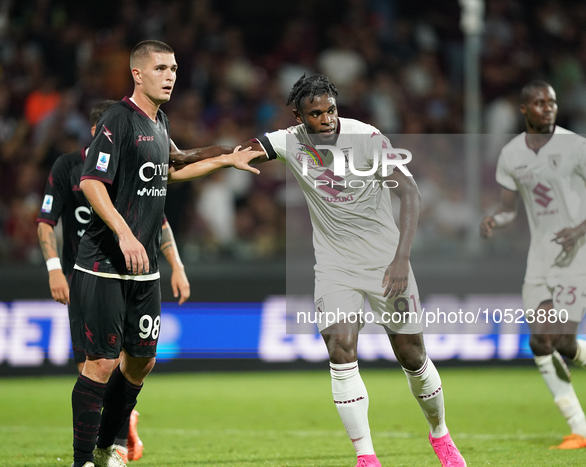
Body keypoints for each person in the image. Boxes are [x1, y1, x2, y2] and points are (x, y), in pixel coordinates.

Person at [177, 74, 466, 467]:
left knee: (412, 355)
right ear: (299, 116)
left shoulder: (367, 138)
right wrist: (182, 156)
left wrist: (401, 259)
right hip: (334, 266)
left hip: (386, 261)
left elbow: (409, 193)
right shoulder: (288, 140)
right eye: (316, 114)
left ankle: (440, 434)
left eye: (331, 109)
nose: (327, 118)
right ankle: (366, 457)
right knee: (341, 351)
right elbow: (234, 151)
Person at [69, 40, 261, 467]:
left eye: (173, 67)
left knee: (141, 362)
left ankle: (107, 445)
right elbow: (92, 182)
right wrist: (124, 233)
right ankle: (85, 458)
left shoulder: (159, 123)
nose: (170, 75)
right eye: (160, 68)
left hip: (145, 270)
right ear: (138, 74)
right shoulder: (118, 120)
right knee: (100, 364)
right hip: (104, 262)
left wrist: (225, 160)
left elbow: (171, 169)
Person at [36, 99, 191, 463]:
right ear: (97, 131)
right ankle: (101, 446)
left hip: (136, 270)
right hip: (87, 273)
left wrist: (177, 265)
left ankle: (115, 441)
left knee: (134, 361)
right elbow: (46, 219)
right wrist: (54, 268)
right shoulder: (68, 167)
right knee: (97, 365)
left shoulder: (132, 163)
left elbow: (159, 218)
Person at [481, 80, 586, 450]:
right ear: (524, 109)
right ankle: (579, 428)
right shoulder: (511, 154)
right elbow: (511, 208)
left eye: (552, 102)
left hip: (578, 256)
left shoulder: (575, 146)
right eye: (540, 103)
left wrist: (579, 228)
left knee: (562, 340)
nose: (548, 107)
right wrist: (497, 219)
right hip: (539, 258)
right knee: (540, 341)